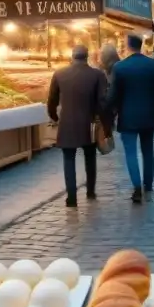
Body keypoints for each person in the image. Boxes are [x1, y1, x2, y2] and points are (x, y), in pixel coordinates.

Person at [105, 34, 154, 203]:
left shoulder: (120, 67)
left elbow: (112, 96)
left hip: (127, 118)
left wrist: (108, 115)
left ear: (127, 46)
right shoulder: (153, 65)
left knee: (131, 153)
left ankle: (137, 187)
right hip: (148, 117)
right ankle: (148, 184)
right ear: (141, 46)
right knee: (148, 151)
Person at [47, 44, 108, 208]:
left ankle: (72, 198)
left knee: (68, 159)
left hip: (67, 122)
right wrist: (105, 123)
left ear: (72, 56)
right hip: (89, 123)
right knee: (90, 157)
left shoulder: (59, 74)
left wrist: (54, 116)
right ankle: (90, 191)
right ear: (86, 56)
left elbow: (52, 100)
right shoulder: (97, 75)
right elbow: (102, 102)